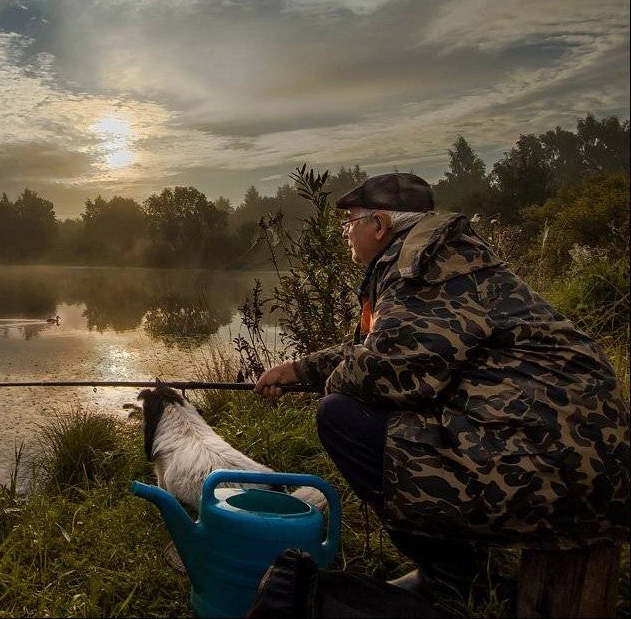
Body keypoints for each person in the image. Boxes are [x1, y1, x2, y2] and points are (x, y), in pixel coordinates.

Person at [254, 172, 630, 607]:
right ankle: (460, 566)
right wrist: (298, 370)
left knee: (341, 416)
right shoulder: (440, 255)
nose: (345, 233)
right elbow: (383, 347)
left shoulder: (422, 269)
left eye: (350, 221)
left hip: (557, 460)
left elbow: (393, 371)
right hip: (563, 445)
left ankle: (451, 577)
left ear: (379, 225)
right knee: (361, 406)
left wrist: (328, 386)